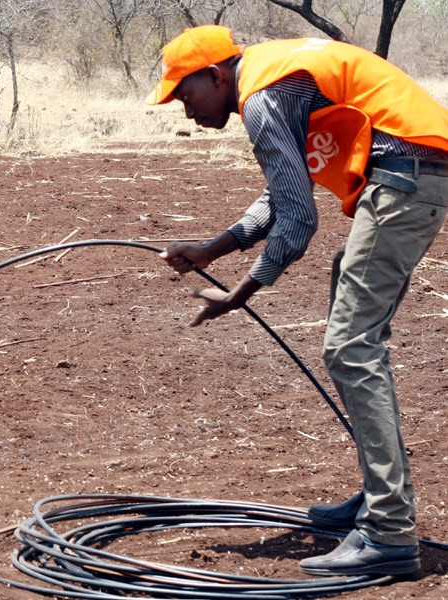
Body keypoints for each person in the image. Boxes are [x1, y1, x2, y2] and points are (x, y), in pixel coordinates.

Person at [150, 25, 448, 576]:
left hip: (406, 178)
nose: (185, 112)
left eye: (185, 95)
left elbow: (299, 220)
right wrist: (213, 249)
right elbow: (281, 196)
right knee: (353, 338)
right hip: (414, 171)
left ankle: (388, 532)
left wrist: (240, 293)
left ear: (215, 75)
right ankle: (378, 499)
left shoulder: (262, 98)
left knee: (351, 349)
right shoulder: (274, 77)